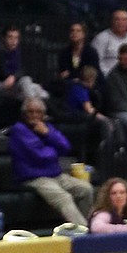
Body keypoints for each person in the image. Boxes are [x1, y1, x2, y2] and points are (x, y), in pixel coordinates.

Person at [8, 96, 93, 228]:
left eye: (38, 112)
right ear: (24, 114)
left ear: (43, 114)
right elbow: (41, 155)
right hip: (34, 177)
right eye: (30, 112)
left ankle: (89, 227)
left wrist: (48, 134)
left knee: (86, 189)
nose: (34, 115)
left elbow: (65, 147)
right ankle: (84, 236)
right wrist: (54, 148)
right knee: (64, 197)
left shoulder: (46, 127)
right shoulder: (19, 130)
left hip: (56, 175)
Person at [92, 8, 127, 78]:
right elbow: (95, 63)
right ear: (112, 21)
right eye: (117, 19)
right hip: (108, 79)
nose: (121, 22)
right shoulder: (101, 38)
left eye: (124, 20)